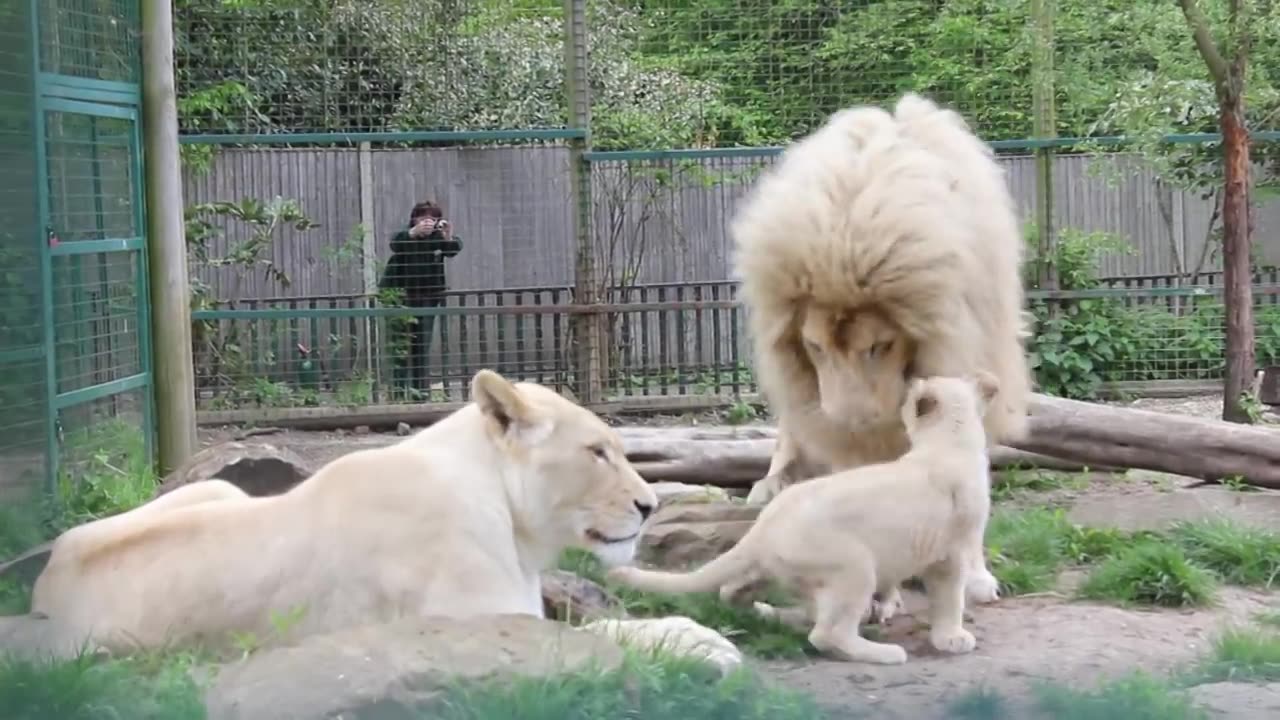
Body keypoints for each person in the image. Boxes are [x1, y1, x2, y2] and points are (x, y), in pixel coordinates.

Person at [378, 201, 463, 393]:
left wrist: (447, 235)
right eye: (423, 218)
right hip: (399, 298)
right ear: (414, 219)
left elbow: (453, 248)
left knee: (421, 346)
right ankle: (399, 392)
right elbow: (395, 243)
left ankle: (420, 393)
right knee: (399, 345)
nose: (428, 222)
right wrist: (413, 233)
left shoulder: (437, 237)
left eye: (433, 218)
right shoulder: (406, 235)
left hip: (427, 297)